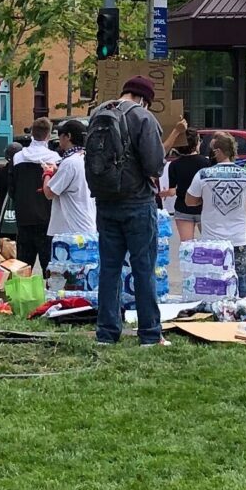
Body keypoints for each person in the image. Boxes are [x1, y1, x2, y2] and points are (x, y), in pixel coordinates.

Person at [86, 77, 169, 345]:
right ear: (144, 98)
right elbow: (155, 165)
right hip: (137, 203)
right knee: (143, 268)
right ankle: (149, 334)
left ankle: (107, 333)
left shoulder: (98, 113)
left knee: (109, 269)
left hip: (105, 202)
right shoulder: (142, 117)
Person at [184, 132, 246, 297]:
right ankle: (240, 313)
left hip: (211, 242)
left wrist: (204, 200)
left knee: (211, 285)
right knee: (240, 282)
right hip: (238, 239)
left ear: (218, 151)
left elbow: (189, 201)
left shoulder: (203, 174)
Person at [5, 123, 56, 271]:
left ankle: (22, 293)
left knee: (23, 265)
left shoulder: (18, 157)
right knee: (50, 265)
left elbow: (11, 188)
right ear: (48, 136)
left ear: (32, 133)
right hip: (48, 217)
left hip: (24, 216)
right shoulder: (54, 158)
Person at [46, 118, 97, 253]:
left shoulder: (70, 162)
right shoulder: (88, 158)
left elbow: (49, 193)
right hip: (89, 224)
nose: (59, 141)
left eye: (60, 137)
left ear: (68, 136)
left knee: (68, 271)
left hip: (70, 231)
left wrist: (47, 173)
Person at [165, 125, 207, 242]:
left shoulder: (174, 165)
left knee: (186, 246)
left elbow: (172, 190)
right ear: (197, 143)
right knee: (210, 245)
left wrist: (163, 194)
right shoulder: (206, 163)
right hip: (203, 208)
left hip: (182, 208)